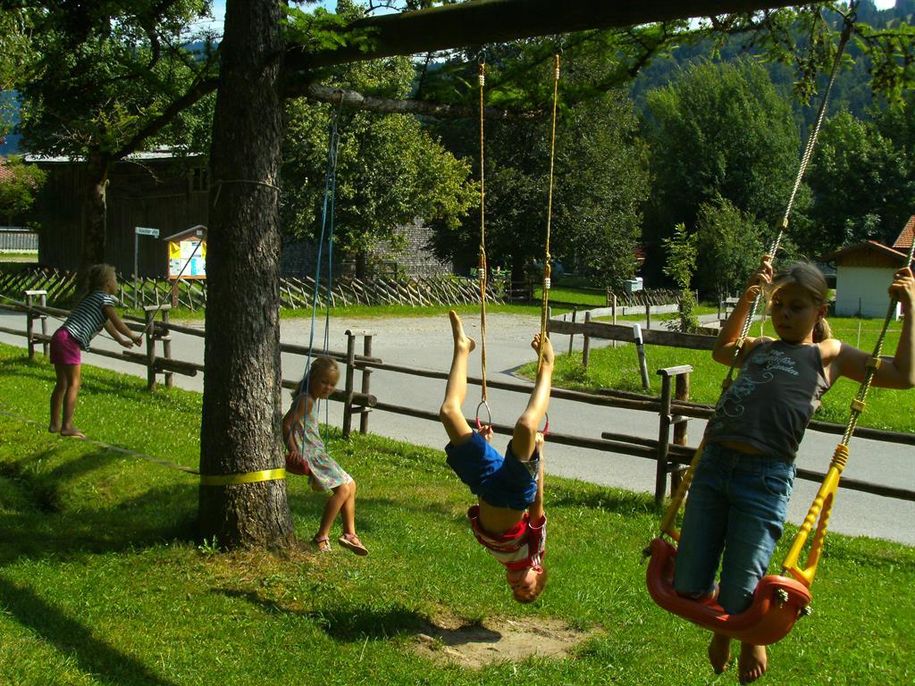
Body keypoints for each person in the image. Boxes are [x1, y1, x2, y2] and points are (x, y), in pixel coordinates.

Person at [674, 256, 915, 684]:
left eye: (797, 306)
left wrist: (910, 309)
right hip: (713, 469)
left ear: (820, 311)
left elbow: (902, 375)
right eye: (779, 304)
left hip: (763, 480)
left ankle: (747, 636)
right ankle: (724, 626)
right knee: (689, 585)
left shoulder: (830, 355)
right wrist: (749, 296)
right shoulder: (759, 346)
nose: (785, 313)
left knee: (741, 592)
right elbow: (720, 350)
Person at [439, 310, 552, 603]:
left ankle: (462, 347)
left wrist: (486, 446)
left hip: (486, 483)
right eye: (525, 586)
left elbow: (480, 508)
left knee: (449, 413)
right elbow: (537, 506)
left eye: (514, 589)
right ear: (538, 572)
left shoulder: (498, 555)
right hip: (516, 492)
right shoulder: (535, 551)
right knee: (526, 426)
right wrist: (538, 457)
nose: (516, 584)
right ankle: (548, 366)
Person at [282, 356, 368, 556]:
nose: (328, 387)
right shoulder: (306, 401)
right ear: (311, 378)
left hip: (317, 453)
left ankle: (350, 534)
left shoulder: (309, 399)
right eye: (323, 382)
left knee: (351, 484)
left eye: (332, 384)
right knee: (343, 490)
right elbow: (286, 424)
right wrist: (294, 451)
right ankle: (321, 536)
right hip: (311, 456)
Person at [48, 264, 143, 438]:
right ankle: (67, 426)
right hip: (70, 341)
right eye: (115, 280)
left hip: (59, 337)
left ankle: (54, 424)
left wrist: (121, 340)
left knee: (61, 384)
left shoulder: (92, 297)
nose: (116, 284)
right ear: (107, 283)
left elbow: (106, 324)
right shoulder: (104, 299)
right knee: (74, 384)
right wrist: (133, 335)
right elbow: (116, 321)